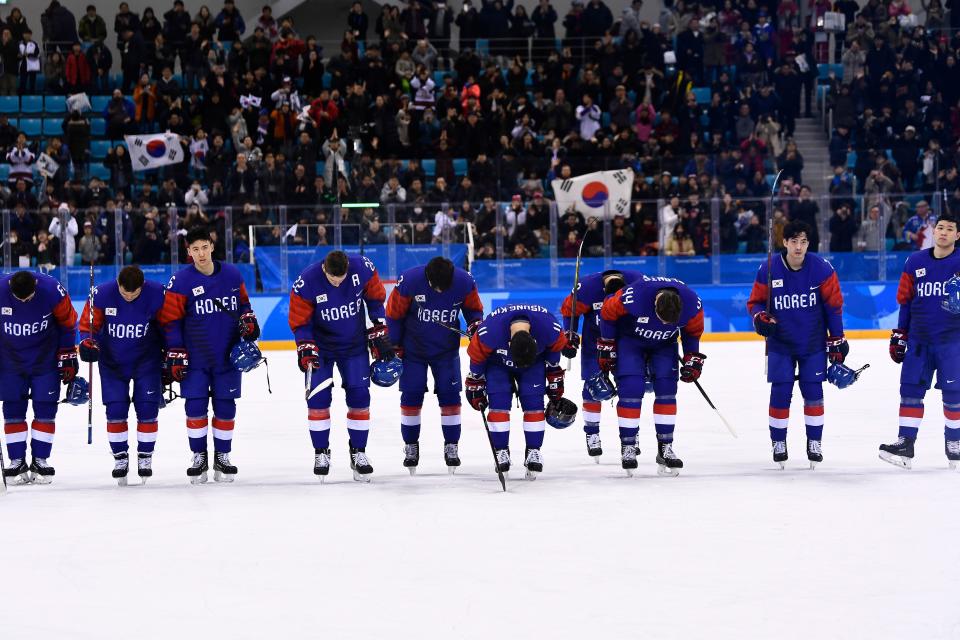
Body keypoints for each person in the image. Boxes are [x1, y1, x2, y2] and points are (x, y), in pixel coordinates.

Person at [157, 227, 260, 483]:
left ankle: (222, 457)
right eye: (195, 249)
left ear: (212, 246)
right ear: (188, 252)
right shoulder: (180, 281)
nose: (201, 254)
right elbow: (169, 322)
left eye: (204, 247)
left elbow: (244, 304)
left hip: (228, 356)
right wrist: (175, 351)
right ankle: (198, 456)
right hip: (195, 359)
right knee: (195, 407)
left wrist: (248, 317)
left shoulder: (233, 274)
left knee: (226, 406)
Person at [747, 220, 847, 469]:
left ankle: (815, 442)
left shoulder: (822, 268)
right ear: (784, 243)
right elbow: (755, 303)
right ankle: (778, 442)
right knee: (781, 392)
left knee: (813, 392)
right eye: (794, 241)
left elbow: (833, 306)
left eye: (803, 241)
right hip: (780, 343)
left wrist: (837, 338)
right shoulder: (768, 268)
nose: (799, 247)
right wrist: (759, 317)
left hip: (813, 343)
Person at [288, 250, 387, 481]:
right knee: (318, 400)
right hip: (321, 349)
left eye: (341, 279)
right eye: (333, 280)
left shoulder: (362, 267)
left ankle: (359, 452)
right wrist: (304, 345)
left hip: (354, 347)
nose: (338, 283)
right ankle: (321, 452)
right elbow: (299, 320)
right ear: (324, 269)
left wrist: (379, 323)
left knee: (360, 398)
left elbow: (375, 298)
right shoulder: (306, 281)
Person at [598, 275, 705, 476]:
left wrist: (692, 357)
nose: (664, 324)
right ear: (655, 303)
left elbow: (692, 332)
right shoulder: (633, 295)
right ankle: (628, 445)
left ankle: (665, 447)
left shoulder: (693, 303)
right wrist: (607, 345)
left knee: (667, 391)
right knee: (631, 389)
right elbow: (607, 312)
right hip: (631, 341)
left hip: (664, 345)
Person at [385, 256, 484, 473]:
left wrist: (476, 325)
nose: (439, 292)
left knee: (450, 398)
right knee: (411, 397)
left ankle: (452, 445)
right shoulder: (409, 281)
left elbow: (474, 311)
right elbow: (393, 314)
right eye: (435, 287)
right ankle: (410, 445)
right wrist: (394, 345)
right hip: (413, 351)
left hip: (446, 351)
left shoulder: (465, 281)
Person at [880, 215, 960, 470]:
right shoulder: (914, 261)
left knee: (954, 394)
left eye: (950, 229)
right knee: (910, 391)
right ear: (933, 232)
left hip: (952, 341)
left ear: (957, 236)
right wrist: (901, 333)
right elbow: (905, 300)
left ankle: (955, 443)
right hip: (919, 340)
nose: (944, 232)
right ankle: (906, 443)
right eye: (940, 228)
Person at [78, 265, 166, 484]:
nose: (128, 297)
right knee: (116, 409)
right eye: (124, 293)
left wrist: (173, 349)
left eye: (134, 294)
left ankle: (145, 456)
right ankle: (120, 457)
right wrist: (87, 343)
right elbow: (88, 327)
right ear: (118, 284)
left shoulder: (157, 293)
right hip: (112, 363)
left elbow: (168, 325)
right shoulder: (101, 294)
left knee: (147, 407)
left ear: (142, 287)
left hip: (147, 361)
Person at [465, 304, 570, 479]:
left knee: (534, 404)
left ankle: (533, 450)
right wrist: (475, 381)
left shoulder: (550, 329)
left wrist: (554, 376)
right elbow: (477, 360)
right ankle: (501, 450)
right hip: (497, 364)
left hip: (533, 363)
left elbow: (554, 357)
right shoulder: (488, 333)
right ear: (508, 343)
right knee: (498, 404)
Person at [1, 271, 79, 484]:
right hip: (10, 362)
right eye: (20, 299)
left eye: (28, 298)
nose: (25, 302)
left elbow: (68, 322)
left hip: (45, 360)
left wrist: (67, 353)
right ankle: (16, 460)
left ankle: (40, 459)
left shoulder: (52, 290)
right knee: (13, 410)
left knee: (45, 408)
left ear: (35, 285)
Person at [560, 269, 644, 460]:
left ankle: (632, 433)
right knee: (593, 390)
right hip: (594, 342)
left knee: (630, 388)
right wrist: (570, 335)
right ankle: (592, 433)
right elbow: (568, 311)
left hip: (626, 342)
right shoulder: (587, 287)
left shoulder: (637, 281)